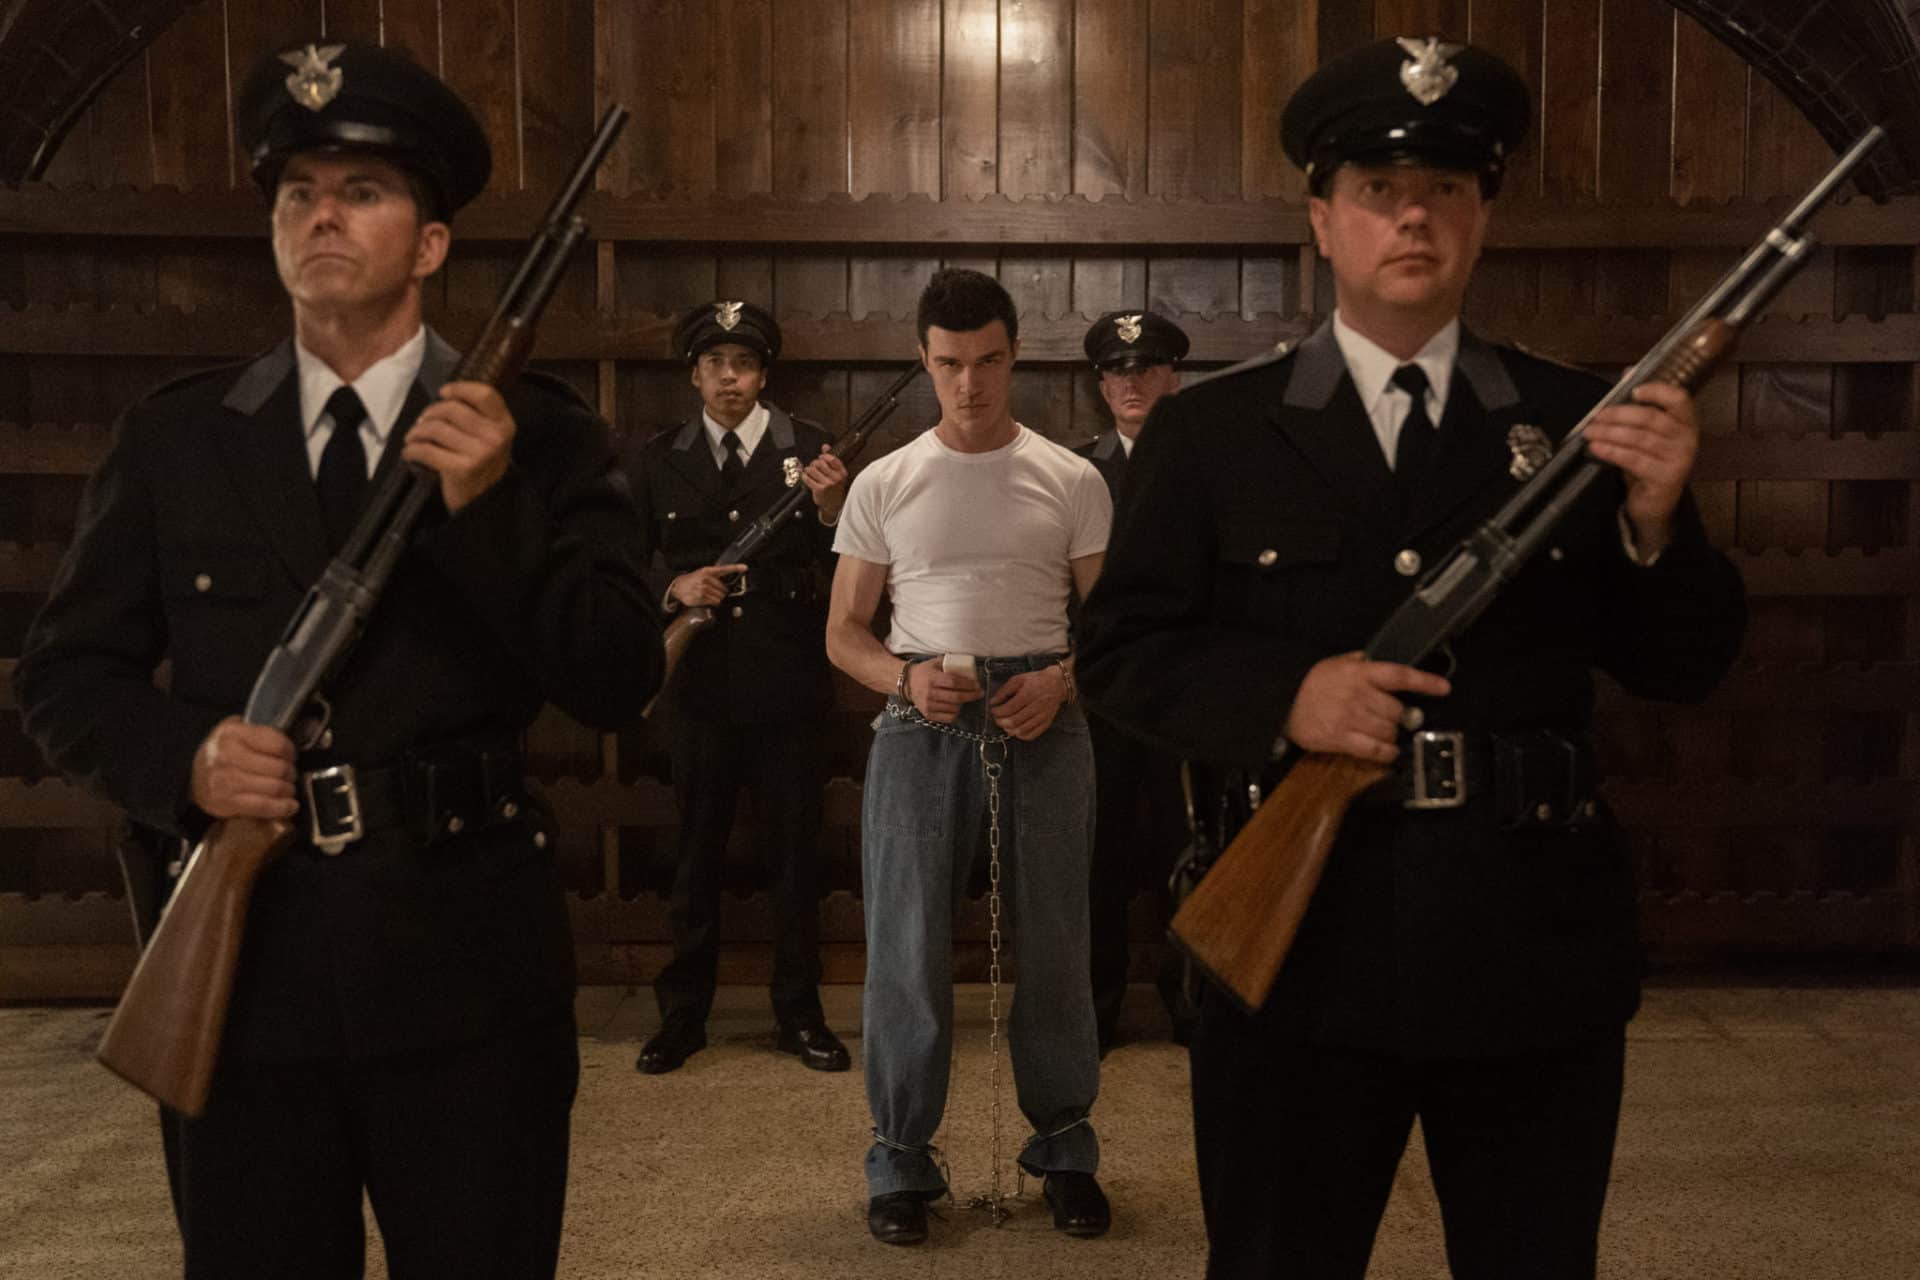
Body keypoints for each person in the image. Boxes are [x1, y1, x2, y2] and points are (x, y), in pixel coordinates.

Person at [1076, 36, 1747, 1280]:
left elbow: (1683, 665)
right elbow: (1119, 650)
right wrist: (1288, 694)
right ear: (1323, 219)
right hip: (1302, 948)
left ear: (1484, 215)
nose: (1414, 216)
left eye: (1445, 187)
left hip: (1528, 938)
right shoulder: (1212, 430)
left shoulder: (1578, 424)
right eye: (1380, 189)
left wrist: (1659, 524)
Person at [12, 41, 663, 1279]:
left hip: (468, 968)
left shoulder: (542, 437)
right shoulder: (176, 439)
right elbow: (63, 677)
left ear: (430, 244)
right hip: (247, 975)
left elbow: (619, 675)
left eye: (362, 191)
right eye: (298, 191)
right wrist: (187, 759)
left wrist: (491, 512)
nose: (321, 214)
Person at [825, 268, 1114, 1245]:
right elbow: (844, 633)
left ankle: (1065, 1148)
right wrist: (901, 679)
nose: (970, 383)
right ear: (923, 360)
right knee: (905, 946)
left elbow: (1115, 626)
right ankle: (901, 1159)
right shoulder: (886, 480)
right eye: (949, 363)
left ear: (1014, 355)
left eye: (988, 361)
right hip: (925, 711)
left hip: (1043, 710)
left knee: (1057, 941)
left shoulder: (1071, 478)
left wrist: (1063, 678)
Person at [625, 300, 851, 1075]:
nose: (730, 377)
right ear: (694, 375)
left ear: (764, 375)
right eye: (715, 363)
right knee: (693, 858)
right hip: (697, 690)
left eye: (744, 364)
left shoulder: (812, 452)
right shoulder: (657, 458)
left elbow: (855, 569)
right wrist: (673, 586)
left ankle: (801, 1014)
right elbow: (620, 559)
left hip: (787, 684)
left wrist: (831, 511)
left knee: (795, 861)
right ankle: (682, 1016)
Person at [1074, 308, 1197, 1053]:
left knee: (1191, 851)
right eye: (1118, 371)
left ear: (1173, 377)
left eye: (1147, 368)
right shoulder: (1075, 471)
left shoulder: (1209, 461)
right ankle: (1096, 1007)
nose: (1132, 382)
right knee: (1099, 856)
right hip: (1101, 697)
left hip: (1185, 693)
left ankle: (1193, 1005)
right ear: (1101, 384)